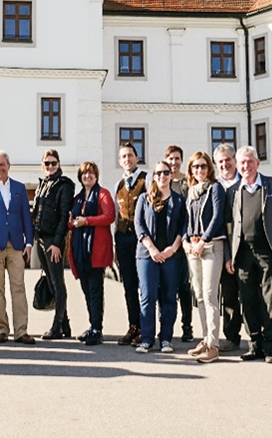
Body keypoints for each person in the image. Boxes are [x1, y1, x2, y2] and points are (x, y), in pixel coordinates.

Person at [225, 146, 272, 364]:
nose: (246, 166)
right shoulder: (233, 191)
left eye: (250, 161)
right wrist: (229, 256)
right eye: (242, 162)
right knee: (247, 299)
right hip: (243, 253)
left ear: (258, 163)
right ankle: (253, 344)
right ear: (237, 165)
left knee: (270, 299)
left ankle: (269, 346)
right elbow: (227, 228)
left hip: (268, 251)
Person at [0, 149, 35, 344]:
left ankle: (21, 331)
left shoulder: (19, 188)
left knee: (18, 287)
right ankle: (2, 328)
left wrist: (29, 242)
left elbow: (27, 218)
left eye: (2, 164)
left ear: (8, 166)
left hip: (17, 245)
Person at [134, 161, 187, 354]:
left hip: (171, 256)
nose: (163, 176)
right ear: (154, 177)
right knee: (147, 297)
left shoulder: (179, 200)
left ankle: (166, 339)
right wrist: (152, 248)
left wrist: (172, 249)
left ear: (171, 176)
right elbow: (138, 225)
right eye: (158, 173)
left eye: (166, 173)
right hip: (147, 256)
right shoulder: (143, 199)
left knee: (168, 298)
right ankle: (147, 339)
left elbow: (184, 227)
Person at [182, 152, 226, 363]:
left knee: (209, 295)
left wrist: (202, 241)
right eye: (195, 167)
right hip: (193, 246)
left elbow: (218, 216)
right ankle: (205, 338)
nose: (199, 170)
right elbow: (186, 221)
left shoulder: (215, 188)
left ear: (209, 168)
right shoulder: (191, 192)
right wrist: (186, 241)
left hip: (211, 245)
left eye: (203, 166)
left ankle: (213, 345)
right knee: (198, 296)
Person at [69, 161, 116, 346]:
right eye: (84, 174)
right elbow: (72, 221)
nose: (87, 176)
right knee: (87, 291)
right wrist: (72, 222)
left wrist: (86, 221)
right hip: (81, 250)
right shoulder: (78, 197)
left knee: (96, 291)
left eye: (91, 173)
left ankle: (97, 328)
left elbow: (109, 216)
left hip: (95, 251)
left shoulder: (103, 194)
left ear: (96, 176)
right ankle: (92, 325)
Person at [32, 149, 75, 339]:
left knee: (58, 282)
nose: (50, 166)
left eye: (53, 163)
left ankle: (57, 326)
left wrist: (58, 243)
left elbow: (64, 215)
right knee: (50, 280)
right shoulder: (43, 184)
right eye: (47, 163)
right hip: (40, 239)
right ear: (43, 165)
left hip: (53, 240)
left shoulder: (64, 185)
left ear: (59, 164)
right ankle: (65, 325)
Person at [114, 142, 147, 346]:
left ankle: (146, 328)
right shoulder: (119, 184)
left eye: (130, 155)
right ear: (120, 161)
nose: (127, 159)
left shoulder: (146, 179)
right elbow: (118, 216)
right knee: (129, 286)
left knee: (145, 286)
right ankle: (133, 326)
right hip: (123, 240)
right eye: (123, 157)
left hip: (141, 239)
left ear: (136, 157)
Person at [213, 143, 242, 352]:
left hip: (247, 247)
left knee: (252, 294)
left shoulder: (247, 183)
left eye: (228, 160)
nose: (225, 164)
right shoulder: (215, 187)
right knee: (229, 295)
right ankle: (232, 337)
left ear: (235, 160)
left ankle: (259, 337)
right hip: (224, 247)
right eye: (220, 161)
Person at [166, 144, 194, 342]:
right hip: (165, 242)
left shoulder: (187, 182)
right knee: (167, 286)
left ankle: (187, 326)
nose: (173, 162)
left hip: (183, 240)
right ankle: (167, 325)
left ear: (181, 161)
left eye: (177, 158)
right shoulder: (162, 181)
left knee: (184, 286)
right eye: (170, 159)